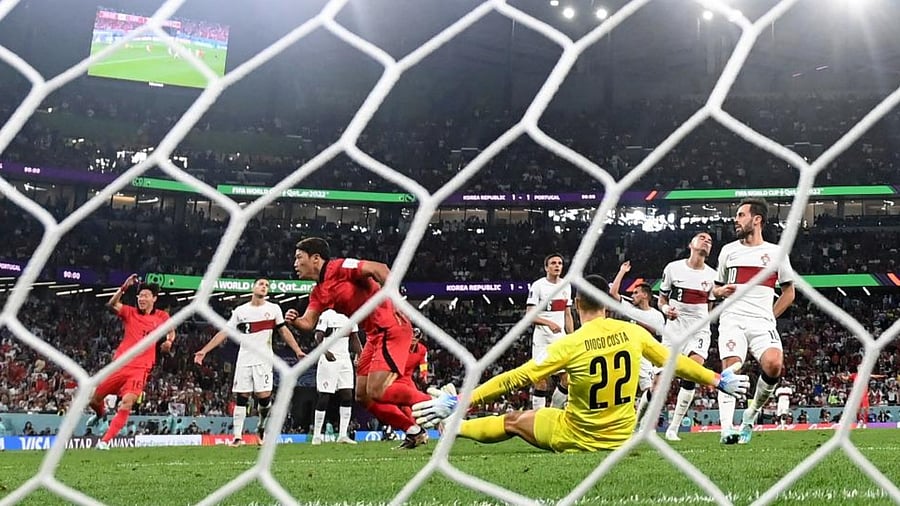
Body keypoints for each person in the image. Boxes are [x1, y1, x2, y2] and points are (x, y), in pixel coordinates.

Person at [412, 275, 749, 452]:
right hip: (620, 437)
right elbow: (677, 363)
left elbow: (515, 378)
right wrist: (718, 379)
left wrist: (461, 401)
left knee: (514, 421)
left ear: (576, 304)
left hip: (576, 435)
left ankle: (452, 427)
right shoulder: (632, 333)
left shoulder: (569, 344)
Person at [285, 237, 433, 449]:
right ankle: (414, 431)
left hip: (390, 326)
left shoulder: (340, 266)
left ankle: (437, 405)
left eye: (299, 258)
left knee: (377, 390)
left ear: (316, 258)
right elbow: (309, 323)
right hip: (374, 335)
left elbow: (379, 268)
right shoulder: (318, 292)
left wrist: (396, 301)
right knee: (363, 396)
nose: (295, 264)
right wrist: (295, 321)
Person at [713, 198, 795, 444]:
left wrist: (770, 315)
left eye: (741, 215)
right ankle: (727, 428)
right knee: (731, 370)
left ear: (756, 219)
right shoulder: (728, 250)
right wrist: (721, 292)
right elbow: (715, 289)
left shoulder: (776, 253)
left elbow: (789, 292)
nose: (735, 220)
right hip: (732, 319)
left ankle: (750, 415)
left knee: (774, 365)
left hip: (762, 322)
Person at [194, 278, 305, 446]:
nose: (264, 287)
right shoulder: (241, 311)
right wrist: (204, 350)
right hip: (244, 359)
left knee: (264, 399)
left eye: (267, 285)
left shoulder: (273, 309)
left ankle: (261, 427)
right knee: (242, 397)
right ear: (253, 287)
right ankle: (237, 436)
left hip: (264, 360)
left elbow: (284, 331)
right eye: (261, 284)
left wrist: (297, 350)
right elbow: (224, 332)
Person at [86, 275, 175, 450]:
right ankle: (101, 415)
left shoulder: (162, 316)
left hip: (140, 369)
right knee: (93, 400)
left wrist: (169, 342)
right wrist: (123, 287)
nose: (142, 299)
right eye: (140, 296)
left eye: (145, 296)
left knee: (126, 402)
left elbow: (172, 331)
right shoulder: (130, 312)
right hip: (119, 365)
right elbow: (111, 304)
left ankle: (105, 442)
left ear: (154, 298)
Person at [657, 232, 717, 441]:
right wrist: (666, 311)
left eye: (710, 240)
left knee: (692, 372)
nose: (706, 241)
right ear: (690, 244)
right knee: (659, 383)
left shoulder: (712, 275)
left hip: (698, 331)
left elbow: (709, 307)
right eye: (702, 238)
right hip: (674, 329)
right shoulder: (673, 268)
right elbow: (662, 299)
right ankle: (640, 423)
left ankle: (673, 428)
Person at [609, 263, 665, 429]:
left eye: (636, 292)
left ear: (645, 296)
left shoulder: (657, 316)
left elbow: (659, 338)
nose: (632, 295)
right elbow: (613, 293)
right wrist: (621, 272)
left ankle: (643, 425)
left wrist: (637, 324)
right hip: (624, 353)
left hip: (644, 356)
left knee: (650, 390)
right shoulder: (627, 307)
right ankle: (629, 425)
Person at [526, 253, 574, 410]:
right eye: (553, 263)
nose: (557, 266)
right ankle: (536, 418)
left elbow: (568, 314)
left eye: (560, 263)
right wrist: (549, 323)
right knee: (541, 381)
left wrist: (572, 337)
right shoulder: (538, 286)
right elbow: (530, 315)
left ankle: (553, 410)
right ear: (546, 267)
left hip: (560, 339)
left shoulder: (566, 285)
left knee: (567, 379)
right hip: (542, 339)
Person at [311, 309, 363, 445]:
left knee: (347, 395)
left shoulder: (351, 315)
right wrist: (325, 351)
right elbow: (318, 335)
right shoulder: (327, 315)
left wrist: (361, 354)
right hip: (329, 359)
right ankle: (316, 435)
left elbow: (354, 338)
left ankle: (342, 435)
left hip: (345, 359)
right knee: (324, 396)